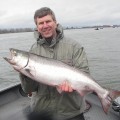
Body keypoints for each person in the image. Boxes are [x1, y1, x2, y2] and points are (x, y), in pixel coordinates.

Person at [20, 7, 90, 120]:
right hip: (42, 111)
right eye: (41, 23)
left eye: (48, 21)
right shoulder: (32, 51)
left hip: (71, 111)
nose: (45, 25)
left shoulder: (74, 46)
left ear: (55, 22)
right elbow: (29, 89)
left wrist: (74, 85)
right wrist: (23, 73)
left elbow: (84, 73)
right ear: (37, 27)